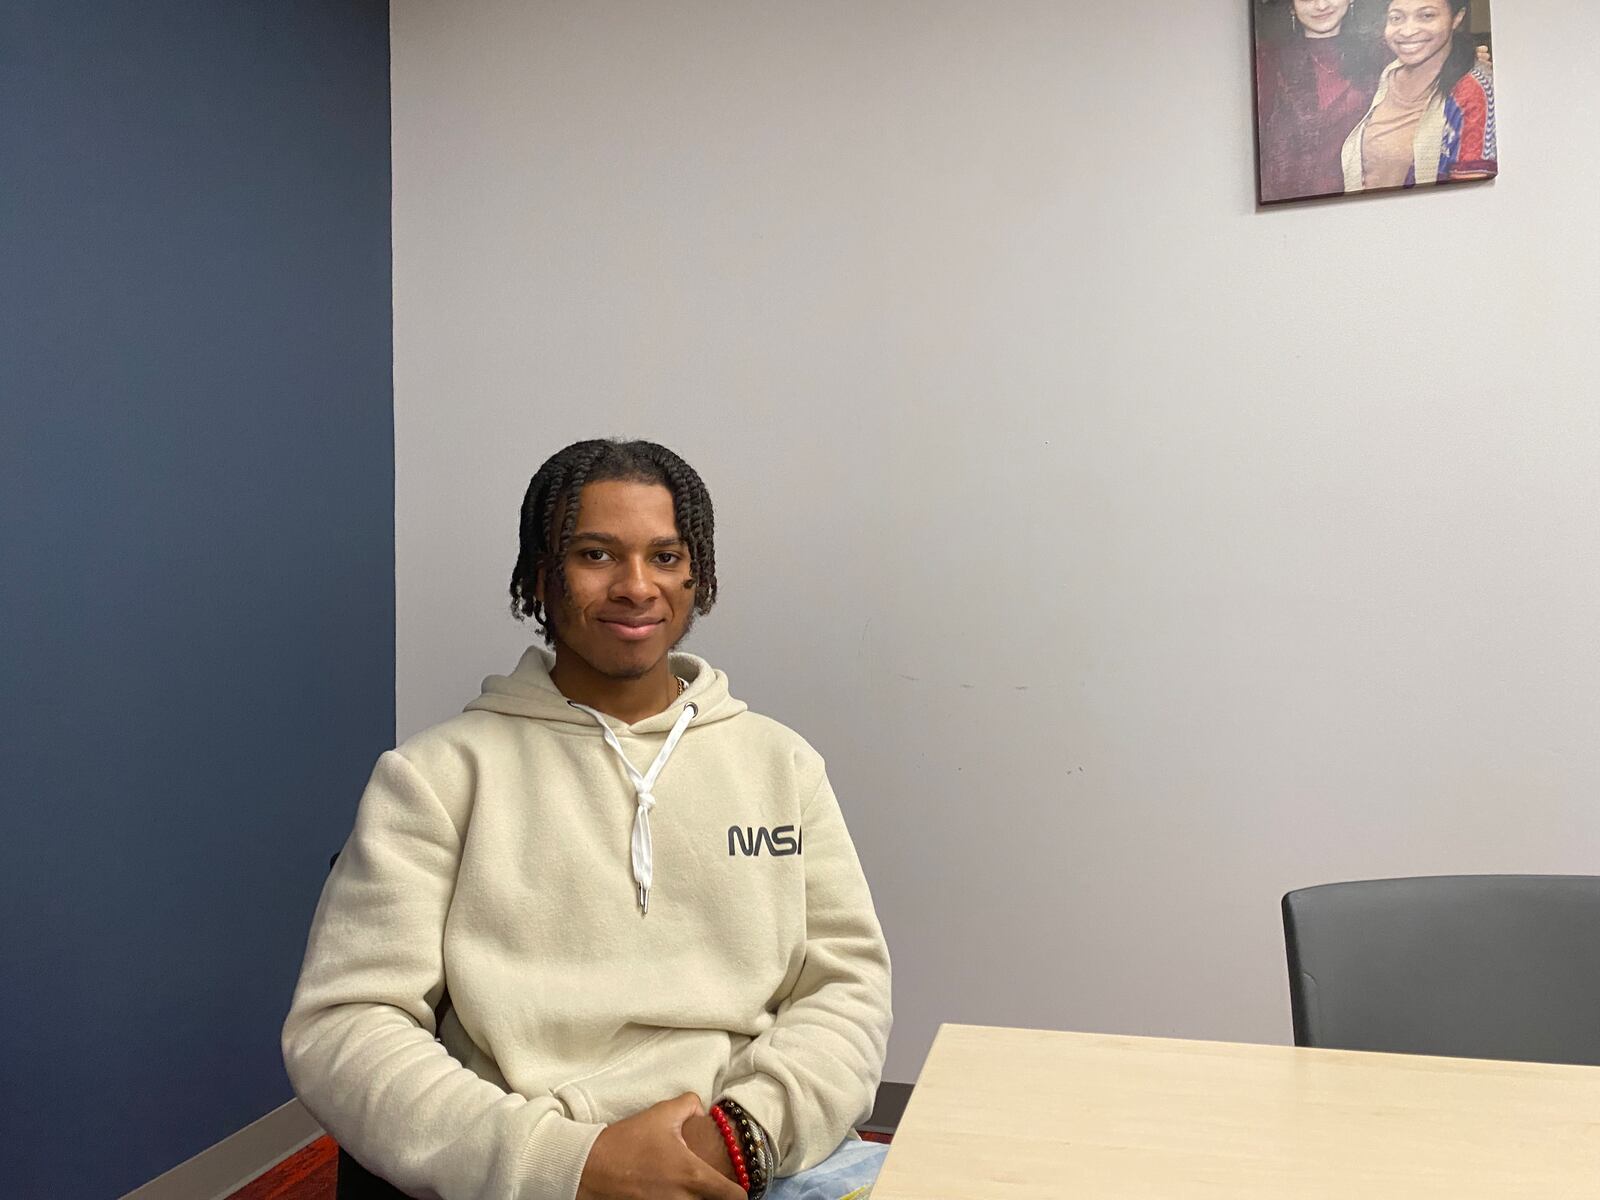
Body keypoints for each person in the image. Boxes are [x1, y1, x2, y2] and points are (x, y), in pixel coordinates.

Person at [282, 439, 893, 1200]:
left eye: (665, 557)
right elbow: (345, 1029)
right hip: (535, 1170)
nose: (637, 587)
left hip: (756, 1157)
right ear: (542, 576)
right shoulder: (435, 779)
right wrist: (567, 1165)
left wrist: (738, 1135)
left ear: (694, 573)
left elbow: (848, 986)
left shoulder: (783, 764)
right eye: (597, 554)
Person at [1342, 0, 1497, 191]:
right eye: (1396, 18)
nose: (1407, 31)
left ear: (1457, 18)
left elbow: (1472, 197)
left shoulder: (1472, 89)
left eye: (1427, 16)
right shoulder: (1384, 75)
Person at [1254, 0, 1381, 203]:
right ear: (1290, 6)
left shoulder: (1381, 54)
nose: (1321, 5)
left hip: (1367, 199)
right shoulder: (1267, 61)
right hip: (1289, 206)